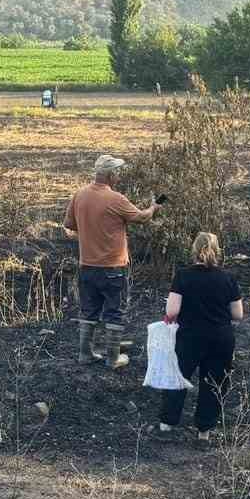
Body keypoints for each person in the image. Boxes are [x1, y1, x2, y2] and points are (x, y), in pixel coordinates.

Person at [63, 154, 159, 368]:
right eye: (117, 172)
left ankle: (85, 354)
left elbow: (70, 225)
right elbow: (142, 218)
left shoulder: (79, 195)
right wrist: (153, 207)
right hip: (113, 267)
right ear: (111, 174)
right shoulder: (116, 199)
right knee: (115, 311)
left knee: (89, 311)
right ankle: (113, 358)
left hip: (87, 266)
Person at [154, 231, 244, 443]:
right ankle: (204, 431)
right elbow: (238, 314)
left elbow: (173, 311)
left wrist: (170, 317)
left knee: (178, 378)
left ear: (194, 250)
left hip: (189, 337)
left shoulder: (183, 275)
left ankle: (167, 423)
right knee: (213, 383)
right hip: (220, 338)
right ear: (217, 251)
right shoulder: (228, 278)